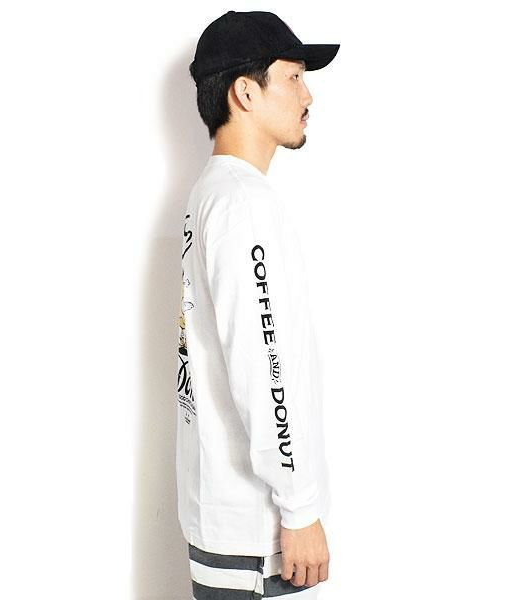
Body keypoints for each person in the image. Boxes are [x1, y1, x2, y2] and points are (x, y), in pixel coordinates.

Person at [176, 10, 340, 599]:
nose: (308, 94)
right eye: (293, 77)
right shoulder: (242, 205)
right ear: (246, 92)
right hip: (255, 535)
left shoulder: (213, 194)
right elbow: (266, 364)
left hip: (226, 521)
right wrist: (300, 508)